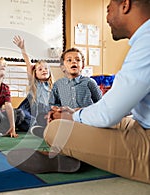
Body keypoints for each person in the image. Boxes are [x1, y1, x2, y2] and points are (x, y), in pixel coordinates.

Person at [10, 0, 150, 184]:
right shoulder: (142, 41)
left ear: (125, 5)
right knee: (72, 122)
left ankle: (71, 156)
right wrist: (73, 113)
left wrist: (71, 117)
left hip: (143, 136)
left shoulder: (146, 43)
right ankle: (74, 153)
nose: (107, 18)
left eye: (108, 10)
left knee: (55, 130)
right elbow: (115, 108)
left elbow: (107, 112)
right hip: (138, 123)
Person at [30, 47, 102, 138]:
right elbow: (52, 103)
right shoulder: (58, 85)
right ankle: (54, 132)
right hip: (66, 118)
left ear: (82, 66)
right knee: (46, 116)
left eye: (78, 60)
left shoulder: (89, 82)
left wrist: (83, 111)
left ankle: (51, 133)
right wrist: (55, 109)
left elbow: (100, 103)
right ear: (62, 67)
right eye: (69, 60)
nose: (74, 62)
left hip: (84, 117)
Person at [13, 35, 53, 132]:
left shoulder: (52, 87)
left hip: (44, 117)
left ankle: (40, 127)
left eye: (46, 68)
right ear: (35, 73)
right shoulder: (34, 84)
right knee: (19, 113)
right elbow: (28, 63)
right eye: (40, 69)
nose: (44, 70)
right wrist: (23, 49)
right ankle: (35, 127)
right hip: (31, 116)